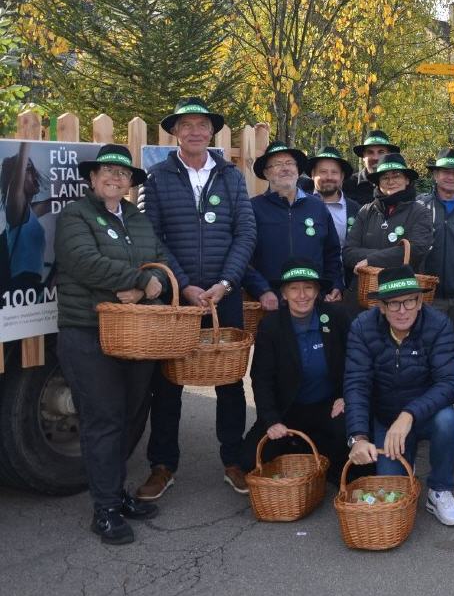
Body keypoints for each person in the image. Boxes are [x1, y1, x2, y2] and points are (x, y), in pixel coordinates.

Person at [138, 98, 257, 500]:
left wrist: (225, 283)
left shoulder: (231, 176)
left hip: (225, 295)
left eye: (201, 125)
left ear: (211, 132)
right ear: (175, 132)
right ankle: (163, 465)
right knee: (168, 382)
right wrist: (184, 286)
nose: (194, 131)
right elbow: (153, 239)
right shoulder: (156, 178)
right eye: (186, 125)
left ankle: (234, 460)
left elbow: (246, 234)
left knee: (229, 380)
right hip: (177, 299)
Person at [54, 144, 165, 543]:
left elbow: (157, 263)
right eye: (107, 172)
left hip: (133, 334)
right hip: (87, 331)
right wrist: (136, 281)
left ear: (130, 183)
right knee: (103, 420)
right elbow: (81, 261)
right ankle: (104, 511)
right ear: (92, 178)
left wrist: (152, 288)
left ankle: (117, 495)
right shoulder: (75, 216)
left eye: (123, 174)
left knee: (130, 416)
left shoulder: (137, 218)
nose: (115, 178)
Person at [345, 265, 454, 526]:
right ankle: (403, 467)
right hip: (386, 419)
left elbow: (449, 383)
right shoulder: (362, 328)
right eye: (394, 304)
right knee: (393, 494)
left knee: (448, 419)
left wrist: (409, 414)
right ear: (381, 307)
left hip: (424, 415)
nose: (402, 311)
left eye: (409, 301)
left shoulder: (438, 324)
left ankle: (440, 490)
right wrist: (357, 437)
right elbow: (356, 384)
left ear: (420, 301)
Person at [242, 258, 352, 482]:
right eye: (294, 288)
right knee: (249, 460)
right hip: (287, 409)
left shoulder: (336, 317)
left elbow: (355, 363)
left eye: (308, 287)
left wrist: (346, 396)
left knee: (355, 465)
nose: (302, 295)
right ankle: (299, 448)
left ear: (317, 291)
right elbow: (261, 379)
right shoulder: (271, 326)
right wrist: (272, 420)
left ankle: (310, 453)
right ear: (283, 293)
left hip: (328, 406)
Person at [243, 142, 344, 309]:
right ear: (266, 173)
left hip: (314, 301)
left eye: (289, 163)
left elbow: (331, 253)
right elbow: (243, 258)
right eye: (277, 164)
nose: (285, 168)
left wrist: (335, 285)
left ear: (298, 170)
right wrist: (261, 290)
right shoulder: (253, 208)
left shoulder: (318, 207)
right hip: (270, 303)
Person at [343, 153, 433, 285]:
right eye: (385, 178)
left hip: (402, 292)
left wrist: (372, 260)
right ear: (378, 183)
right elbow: (348, 252)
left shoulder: (421, 212)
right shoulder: (365, 211)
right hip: (366, 290)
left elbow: (416, 250)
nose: (391, 182)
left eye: (396, 176)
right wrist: (391, 255)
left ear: (407, 180)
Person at [417, 148, 454, 332]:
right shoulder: (420, 206)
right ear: (435, 174)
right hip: (428, 297)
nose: (451, 177)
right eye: (445, 171)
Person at [306, 146, 361, 283]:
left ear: (342, 177)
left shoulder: (357, 210)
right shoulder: (299, 206)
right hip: (306, 285)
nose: (329, 177)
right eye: (323, 172)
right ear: (312, 174)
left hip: (345, 286)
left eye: (334, 172)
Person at [1, 144, 49, 291]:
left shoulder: (31, 211)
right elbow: (18, 174)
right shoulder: (14, 209)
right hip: (21, 285)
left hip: (33, 284)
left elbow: (61, 202)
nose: (34, 174)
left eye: (33, 168)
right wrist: (27, 140)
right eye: (28, 169)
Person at [343, 130, 400, 206]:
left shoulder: (399, 184)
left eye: (381, 152)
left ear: (389, 155)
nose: (376, 158)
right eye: (370, 152)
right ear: (363, 156)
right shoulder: (347, 185)